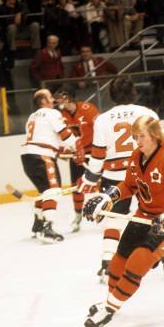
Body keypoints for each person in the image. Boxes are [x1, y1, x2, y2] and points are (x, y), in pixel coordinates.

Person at [81, 115, 164, 327]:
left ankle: (109, 309)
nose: (137, 140)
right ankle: (109, 300)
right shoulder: (137, 156)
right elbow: (129, 185)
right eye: (135, 136)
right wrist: (109, 197)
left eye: (141, 136)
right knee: (118, 261)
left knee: (138, 261)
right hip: (142, 217)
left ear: (155, 135)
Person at [21, 89, 78, 243]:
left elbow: (49, 139)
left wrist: (63, 151)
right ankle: (48, 227)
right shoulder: (51, 113)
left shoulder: (32, 117)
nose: (53, 99)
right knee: (53, 191)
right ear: (44, 101)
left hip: (27, 157)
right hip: (42, 156)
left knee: (44, 191)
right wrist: (76, 147)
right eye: (50, 97)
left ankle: (38, 224)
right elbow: (64, 133)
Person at [55, 91, 99, 232]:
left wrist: (101, 149)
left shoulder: (88, 109)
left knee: (104, 182)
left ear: (69, 99)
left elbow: (101, 128)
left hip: (95, 151)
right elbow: (58, 137)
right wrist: (61, 150)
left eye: (61, 100)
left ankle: (112, 211)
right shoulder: (60, 116)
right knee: (77, 185)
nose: (58, 103)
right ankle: (78, 215)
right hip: (76, 153)